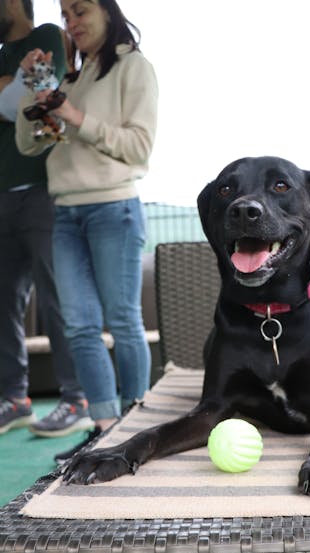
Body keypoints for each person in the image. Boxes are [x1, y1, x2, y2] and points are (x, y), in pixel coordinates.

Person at [16, 0, 158, 462]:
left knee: (122, 321)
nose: (71, 22)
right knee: (79, 326)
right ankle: (102, 429)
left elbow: (138, 147)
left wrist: (74, 117)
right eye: (65, 15)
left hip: (113, 209)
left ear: (106, 10)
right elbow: (26, 144)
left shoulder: (133, 68)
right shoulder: (68, 80)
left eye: (79, 10)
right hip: (65, 213)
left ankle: (133, 426)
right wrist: (31, 90)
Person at [0, 0, 92, 437]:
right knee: (4, 302)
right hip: (1, 197)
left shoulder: (46, 38)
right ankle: (15, 399)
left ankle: (77, 398)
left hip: (43, 192)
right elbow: (13, 97)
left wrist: (12, 89)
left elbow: (24, 101)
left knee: (58, 299)